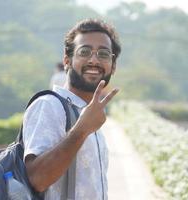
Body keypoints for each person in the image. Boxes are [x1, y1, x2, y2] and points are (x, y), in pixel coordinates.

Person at [22, 18, 121, 200]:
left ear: (113, 66)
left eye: (103, 54)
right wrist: (82, 130)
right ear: (67, 60)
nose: (94, 60)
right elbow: (37, 179)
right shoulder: (49, 106)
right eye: (84, 51)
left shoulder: (92, 115)